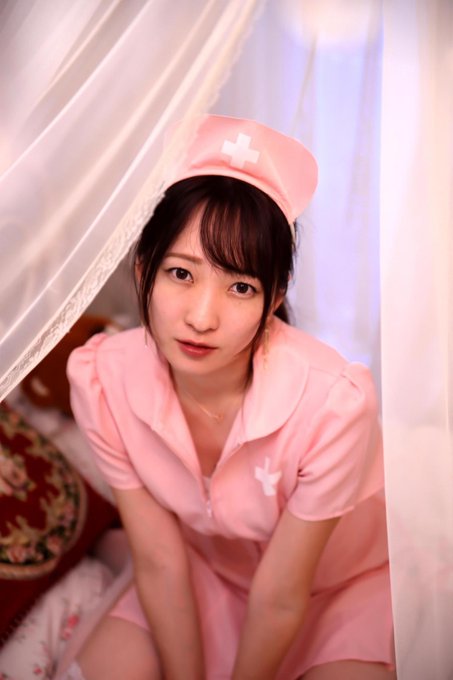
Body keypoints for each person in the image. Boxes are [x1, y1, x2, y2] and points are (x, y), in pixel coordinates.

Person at [65, 115, 395, 680]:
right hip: (207, 571)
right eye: (181, 274)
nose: (201, 317)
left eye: (240, 286)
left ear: (275, 297)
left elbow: (283, 593)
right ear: (143, 269)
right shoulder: (102, 379)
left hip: (338, 590)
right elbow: (160, 559)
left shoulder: (333, 405)